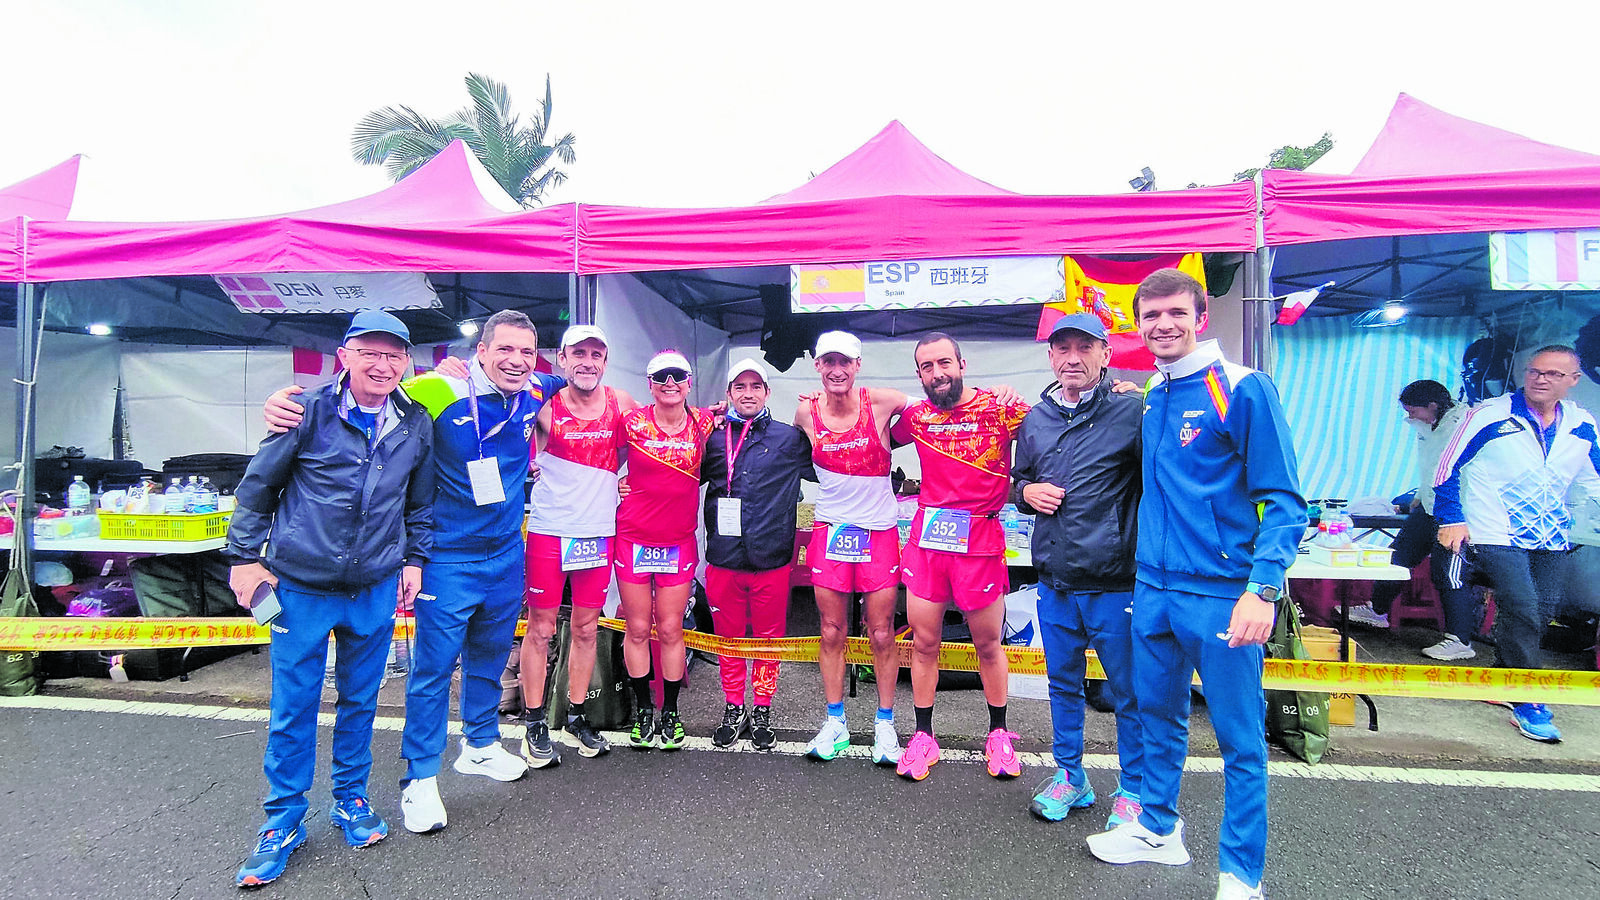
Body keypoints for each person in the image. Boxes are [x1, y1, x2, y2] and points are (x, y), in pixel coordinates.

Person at [262, 309, 565, 835]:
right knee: (432, 670)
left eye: (526, 351)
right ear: (481, 352)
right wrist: (283, 404)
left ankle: (480, 743)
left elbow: (580, 379)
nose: (516, 361)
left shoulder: (536, 388)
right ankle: (420, 780)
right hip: (447, 555)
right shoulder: (431, 390)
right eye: (505, 350)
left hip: (505, 553)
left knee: (489, 658)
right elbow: (361, 393)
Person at [1086, 269, 1305, 900]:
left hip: (1221, 593)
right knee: (1156, 717)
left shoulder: (1242, 388)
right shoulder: (1153, 393)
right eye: (1150, 315)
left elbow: (1285, 500)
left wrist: (1262, 589)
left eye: (1176, 313)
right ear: (1137, 322)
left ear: (1201, 316)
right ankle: (1158, 829)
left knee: (1240, 741)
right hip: (1152, 590)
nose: (1163, 325)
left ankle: (1242, 875)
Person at [228, 310, 434, 887]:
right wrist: (244, 559)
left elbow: (419, 504)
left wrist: (413, 560)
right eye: (370, 351)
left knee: (362, 701)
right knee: (293, 709)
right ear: (344, 355)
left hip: (374, 586)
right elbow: (258, 488)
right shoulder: (306, 411)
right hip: (300, 587)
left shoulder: (416, 422)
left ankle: (350, 799)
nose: (383, 364)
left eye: (395, 355)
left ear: (407, 364)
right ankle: (283, 821)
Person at [439, 326, 639, 767]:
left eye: (596, 354)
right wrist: (457, 372)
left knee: (588, 629)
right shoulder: (542, 401)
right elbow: (492, 398)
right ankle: (534, 722)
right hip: (550, 533)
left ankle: (578, 715)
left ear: (605, 360)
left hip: (598, 534)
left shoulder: (621, 403)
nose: (587, 362)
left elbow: (659, 432)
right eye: (578, 354)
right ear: (562, 359)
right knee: (542, 629)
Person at [1012, 313, 1145, 828]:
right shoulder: (1036, 420)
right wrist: (1025, 493)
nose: (1072, 357)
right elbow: (1016, 483)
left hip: (1115, 580)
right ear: (1050, 357)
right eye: (1062, 348)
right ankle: (1071, 777)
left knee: (1126, 691)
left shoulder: (1132, 411)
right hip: (1055, 579)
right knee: (1062, 685)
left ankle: (1133, 788)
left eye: (1085, 347)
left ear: (1106, 355)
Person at [1434, 345, 1600, 744]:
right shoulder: (1489, 415)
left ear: (1573, 381)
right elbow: (1447, 466)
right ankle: (1527, 698)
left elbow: (1592, 476)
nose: (1541, 379)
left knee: (1542, 611)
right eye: (1535, 372)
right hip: (1493, 529)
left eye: (1553, 374)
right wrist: (1451, 517)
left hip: (1552, 533)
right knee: (1522, 606)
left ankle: (1504, 676)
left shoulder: (1581, 423)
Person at [888, 332, 1031, 782]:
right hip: (928, 544)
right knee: (924, 643)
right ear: (919, 375)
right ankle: (924, 735)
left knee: (988, 644)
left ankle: (999, 733)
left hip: (980, 541)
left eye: (944, 363)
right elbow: (864, 427)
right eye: (928, 367)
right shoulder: (915, 416)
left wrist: (1116, 389)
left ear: (962, 363)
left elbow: (1059, 424)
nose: (938, 373)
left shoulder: (1001, 408)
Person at [792, 331, 914, 765]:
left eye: (845, 362)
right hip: (831, 533)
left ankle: (884, 724)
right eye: (828, 362)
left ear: (858, 365)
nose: (836, 370)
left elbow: (929, 407)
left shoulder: (880, 401)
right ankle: (835, 722)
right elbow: (789, 446)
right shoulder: (806, 410)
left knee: (882, 632)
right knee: (831, 630)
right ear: (817, 367)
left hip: (878, 533)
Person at [701, 357, 814, 750]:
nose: (747, 394)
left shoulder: (789, 438)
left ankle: (762, 707)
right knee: (728, 638)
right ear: (729, 393)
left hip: (772, 557)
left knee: (768, 638)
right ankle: (734, 706)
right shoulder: (712, 438)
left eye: (755, 387)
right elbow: (677, 474)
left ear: (767, 392)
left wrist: (815, 413)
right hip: (723, 557)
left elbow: (832, 464)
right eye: (740, 387)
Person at [616, 350, 717, 751]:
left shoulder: (704, 421)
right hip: (634, 537)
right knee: (638, 628)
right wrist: (614, 482)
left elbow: (733, 414)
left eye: (678, 376)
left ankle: (670, 711)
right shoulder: (631, 422)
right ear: (650, 383)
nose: (670, 383)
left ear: (689, 383)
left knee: (672, 628)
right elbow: (595, 455)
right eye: (661, 377)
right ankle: (644, 711)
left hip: (678, 542)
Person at [1346, 379, 1481, 660]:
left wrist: (1453, 513)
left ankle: (1460, 640)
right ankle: (1378, 610)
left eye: (1413, 411)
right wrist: (1419, 494)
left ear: (1433, 406)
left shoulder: (1463, 424)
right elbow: (1432, 464)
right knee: (1398, 555)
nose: (1409, 417)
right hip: (1428, 505)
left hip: (1456, 511)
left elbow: (1462, 471)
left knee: (1448, 574)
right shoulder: (1426, 426)